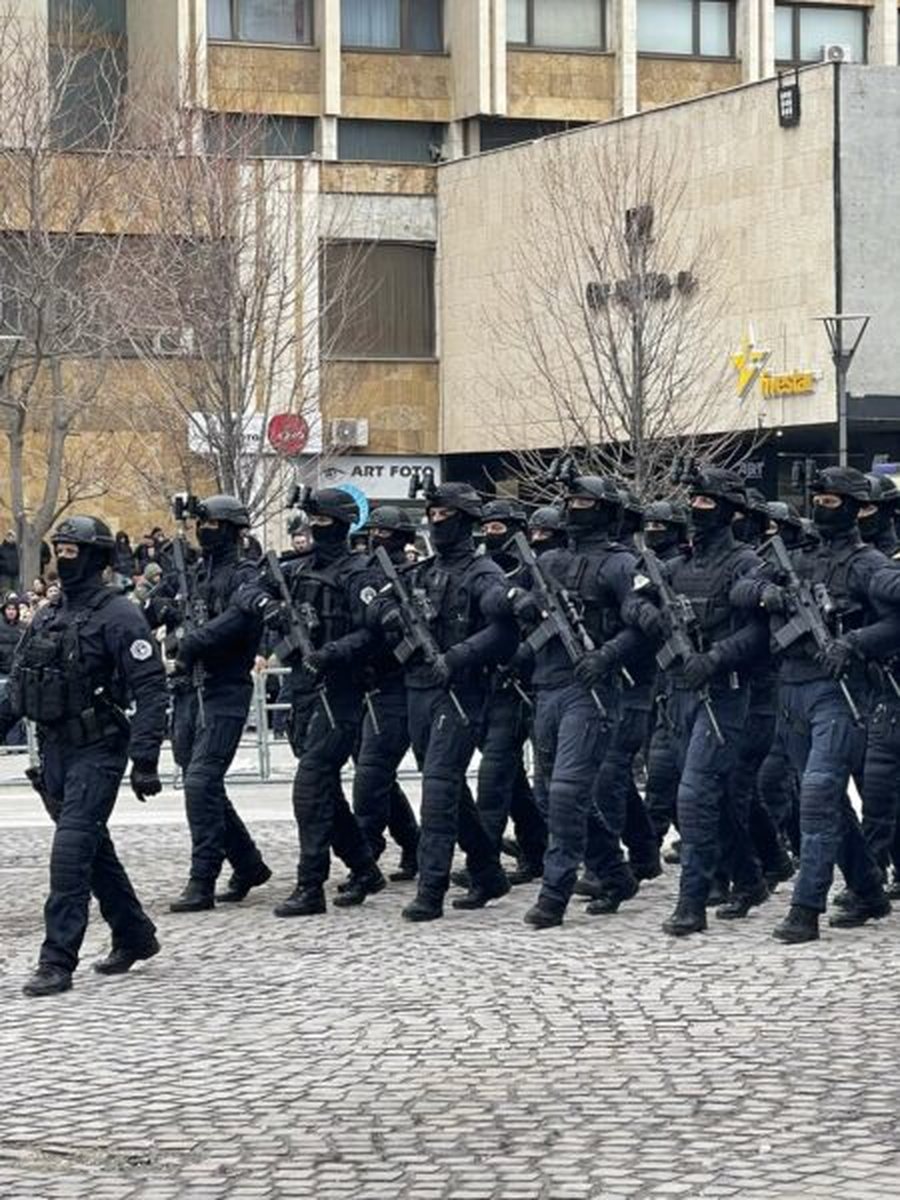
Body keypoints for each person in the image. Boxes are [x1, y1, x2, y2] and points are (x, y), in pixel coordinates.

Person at [0, 516, 167, 997]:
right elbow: (19, 688)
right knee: (93, 851)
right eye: (60, 550)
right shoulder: (50, 613)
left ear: (94, 557)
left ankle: (56, 961)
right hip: (55, 750)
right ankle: (135, 934)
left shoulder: (120, 616)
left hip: (98, 750)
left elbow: (152, 689)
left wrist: (146, 758)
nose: (63, 559)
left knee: (70, 854)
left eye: (73, 551)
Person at [731, 467, 892, 942]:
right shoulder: (795, 555)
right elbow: (738, 589)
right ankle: (868, 888)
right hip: (791, 690)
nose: (822, 505)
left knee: (819, 796)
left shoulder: (869, 564)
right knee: (824, 799)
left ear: (857, 507)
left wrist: (856, 641)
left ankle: (806, 907)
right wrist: (768, 593)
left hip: (839, 691)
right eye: (817, 498)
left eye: (832, 499)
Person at [627, 467, 767, 937]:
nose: (699, 509)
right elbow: (634, 599)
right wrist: (651, 616)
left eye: (709, 502)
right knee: (713, 793)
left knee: (694, 795)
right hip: (679, 694)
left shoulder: (747, 564)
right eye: (696, 501)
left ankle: (693, 902)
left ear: (729, 511)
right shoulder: (677, 566)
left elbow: (759, 632)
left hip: (722, 695)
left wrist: (716, 657)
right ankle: (748, 878)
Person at [375, 482, 515, 922]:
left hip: (461, 692)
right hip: (418, 688)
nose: (436, 523)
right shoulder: (422, 571)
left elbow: (503, 629)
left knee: (437, 790)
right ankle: (488, 870)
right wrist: (390, 616)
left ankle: (430, 888)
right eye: (431, 515)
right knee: (448, 787)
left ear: (465, 520)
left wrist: (457, 657)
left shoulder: (484, 573)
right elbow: (375, 609)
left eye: (444, 515)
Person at [509, 474, 641, 930]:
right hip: (548, 686)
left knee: (566, 792)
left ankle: (555, 890)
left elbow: (646, 623)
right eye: (571, 501)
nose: (576, 508)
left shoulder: (621, 564)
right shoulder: (548, 561)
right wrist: (522, 603)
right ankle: (615, 872)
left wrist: (606, 655)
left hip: (592, 690)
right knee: (548, 793)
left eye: (585, 501)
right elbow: (507, 598)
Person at [251, 487, 385, 916]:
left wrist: (331, 653)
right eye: (312, 522)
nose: (316, 529)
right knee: (324, 788)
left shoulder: (361, 573)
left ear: (343, 524)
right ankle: (364, 867)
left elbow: (373, 633)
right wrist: (267, 606)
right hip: (304, 691)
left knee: (309, 787)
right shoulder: (296, 570)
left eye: (323, 521)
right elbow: (249, 589)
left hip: (341, 692)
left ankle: (311, 884)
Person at [150, 495, 272, 913]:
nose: (204, 531)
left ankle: (203, 877)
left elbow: (239, 619)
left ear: (235, 531)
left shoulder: (245, 574)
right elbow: (152, 605)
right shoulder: (190, 571)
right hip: (188, 689)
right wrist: (166, 609)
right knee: (202, 784)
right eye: (202, 523)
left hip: (224, 688)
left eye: (213, 525)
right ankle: (248, 862)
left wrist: (194, 640)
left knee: (201, 781)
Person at [475, 498, 547, 884]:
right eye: (486, 527)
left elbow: (547, 629)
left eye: (499, 528)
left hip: (524, 685)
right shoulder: (484, 572)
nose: (490, 534)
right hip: (490, 683)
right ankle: (536, 849)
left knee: (494, 775)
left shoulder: (536, 573)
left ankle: (483, 864)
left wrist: (519, 656)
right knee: (511, 779)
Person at [351, 506, 421, 881]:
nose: (377, 538)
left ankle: (366, 854)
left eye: (385, 533)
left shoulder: (411, 577)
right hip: (370, 684)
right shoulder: (364, 573)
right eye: (373, 531)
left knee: (373, 773)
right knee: (377, 775)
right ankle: (414, 846)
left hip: (398, 686)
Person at [0, 530, 19, 595]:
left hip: (16, 575)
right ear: (6, 537)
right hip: (5, 575)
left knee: (16, 593)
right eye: (9, 536)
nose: (11, 538)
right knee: (6, 593)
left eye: (13, 536)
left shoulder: (17, 549)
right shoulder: (1, 548)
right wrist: (4, 565)